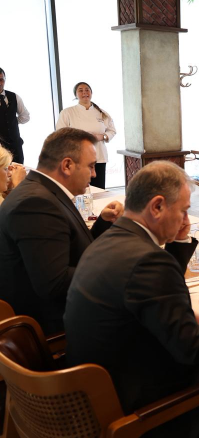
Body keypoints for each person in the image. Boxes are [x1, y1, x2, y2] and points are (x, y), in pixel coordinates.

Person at [64, 161, 199, 438]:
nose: (186, 218)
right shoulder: (149, 262)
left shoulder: (108, 239)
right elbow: (193, 347)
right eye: (184, 210)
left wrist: (179, 239)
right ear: (157, 206)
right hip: (140, 414)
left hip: (92, 393)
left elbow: (158, 291)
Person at [0, 128, 123, 334]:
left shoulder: (42, 190)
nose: (94, 174)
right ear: (67, 165)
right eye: (91, 166)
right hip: (53, 326)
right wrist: (116, 267)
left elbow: (71, 250)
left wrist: (103, 222)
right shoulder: (35, 202)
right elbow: (54, 283)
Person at [56, 82, 116, 189]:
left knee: (99, 189)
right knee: (79, 189)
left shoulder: (102, 113)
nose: (84, 92)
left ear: (91, 93)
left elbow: (112, 130)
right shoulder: (67, 112)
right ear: (75, 95)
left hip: (99, 157)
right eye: (80, 90)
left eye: (87, 90)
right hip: (77, 158)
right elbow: (60, 133)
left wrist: (101, 137)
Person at [0, 67, 31, 164]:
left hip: (16, 147)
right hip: (0, 149)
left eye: (1, 79)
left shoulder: (14, 96)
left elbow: (25, 116)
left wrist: (13, 121)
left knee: (18, 170)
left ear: (5, 80)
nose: (0, 83)